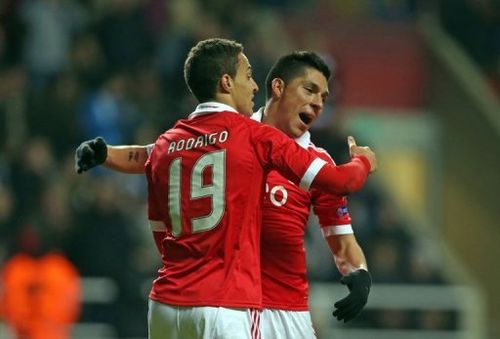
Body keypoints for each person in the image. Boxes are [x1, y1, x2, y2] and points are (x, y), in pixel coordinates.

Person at [76, 38, 376, 339]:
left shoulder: (309, 158)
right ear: (278, 87)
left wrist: (359, 272)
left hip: (278, 309)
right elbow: (149, 154)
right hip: (233, 304)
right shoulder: (250, 137)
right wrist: (363, 160)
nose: (318, 103)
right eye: (309, 90)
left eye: (324, 97)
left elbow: (152, 154)